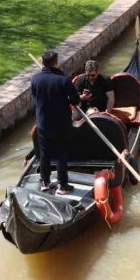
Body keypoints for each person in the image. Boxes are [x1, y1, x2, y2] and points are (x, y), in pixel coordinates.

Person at [30, 50, 81, 194]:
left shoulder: (35, 79)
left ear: (42, 62)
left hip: (43, 124)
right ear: (55, 62)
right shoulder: (63, 79)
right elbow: (75, 100)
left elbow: (35, 96)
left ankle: (45, 182)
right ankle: (62, 186)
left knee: (44, 154)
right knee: (62, 153)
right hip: (61, 124)